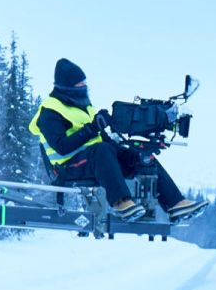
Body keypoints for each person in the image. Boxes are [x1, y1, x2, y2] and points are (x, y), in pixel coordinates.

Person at [27, 58, 205, 222]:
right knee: (102, 150)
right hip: (67, 168)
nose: (84, 86)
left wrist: (128, 151)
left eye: (84, 82)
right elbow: (61, 147)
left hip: (94, 162)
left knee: (141, 156)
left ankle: (175, 204)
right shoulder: (49, 111)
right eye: (79, 83)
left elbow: (100, 139)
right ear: (67, 86)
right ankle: (121, 203)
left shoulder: (83, 107)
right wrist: (93, 127)